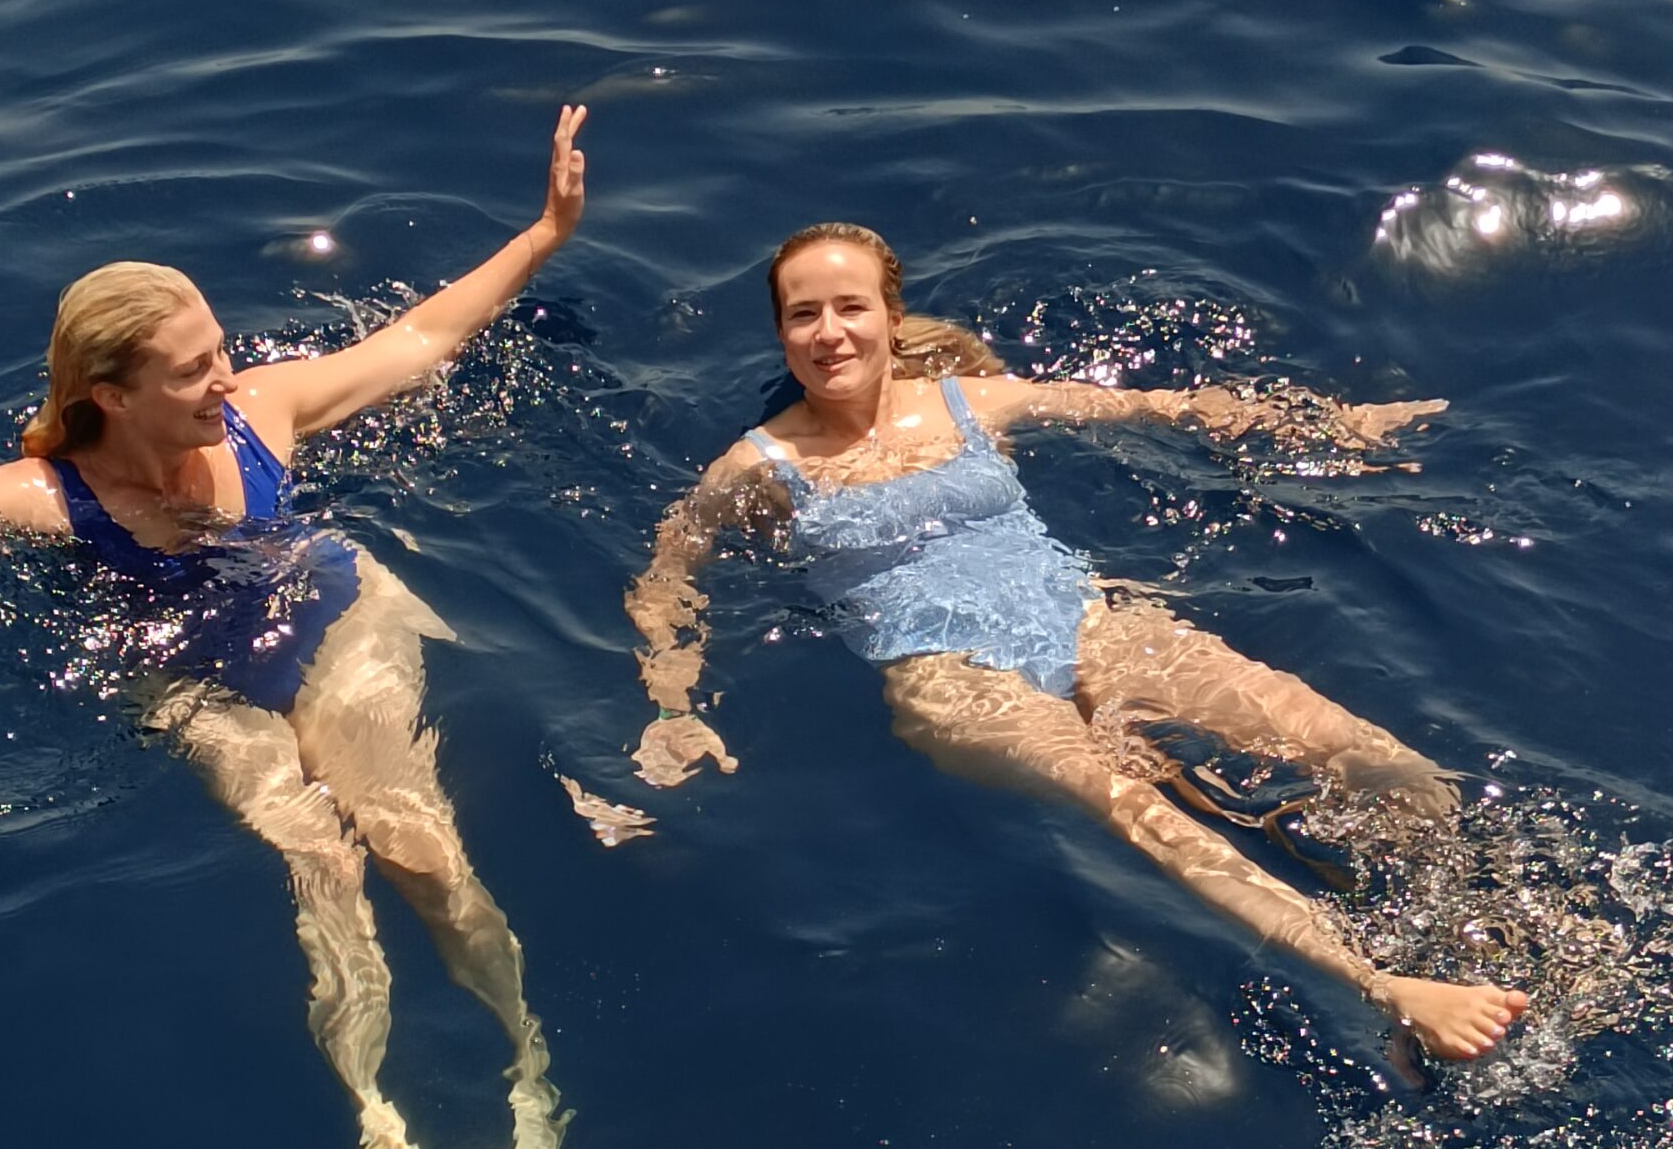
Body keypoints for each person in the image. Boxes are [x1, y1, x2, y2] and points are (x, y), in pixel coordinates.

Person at [0, 107, 590, 1149]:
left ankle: (528, 1080)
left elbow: (419, 340)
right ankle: (387, 1130)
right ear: (107, 393)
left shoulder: (266, 413)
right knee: (323, 874)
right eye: (192, 366)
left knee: (420, 846)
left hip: (333, 619)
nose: (224, 374)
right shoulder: (42, 497)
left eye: (218, 349)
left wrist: (546, 231)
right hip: (192, 679)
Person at [626, 222, 1530, 1064]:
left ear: (891, 320)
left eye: (850, 307)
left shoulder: (974, 402)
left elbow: (1161, 406)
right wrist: (671, 707)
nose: (829, 332)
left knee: (1365, 753)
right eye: (803, 314)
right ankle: (1385, 988)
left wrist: (1329, 425)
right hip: (953, 678)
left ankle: (1495, 906)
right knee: (1139, 809)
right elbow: (666, 586)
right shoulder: (756, 468)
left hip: (1093, 626)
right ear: (781, 334)